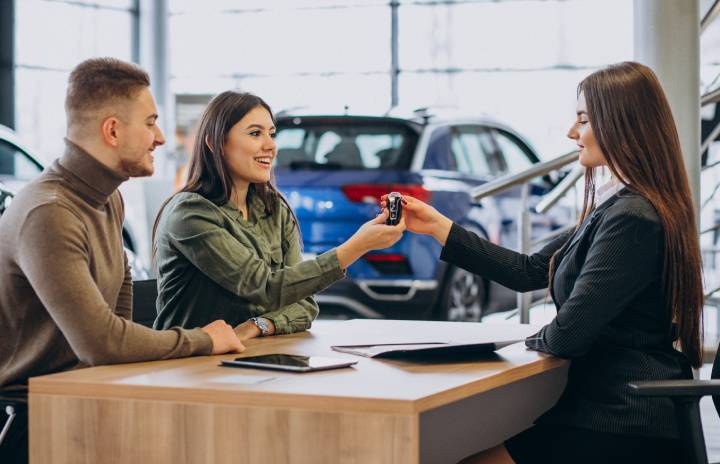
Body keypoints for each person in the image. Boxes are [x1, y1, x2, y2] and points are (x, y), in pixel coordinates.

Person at [390, 62, 703, 464]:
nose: (571, 132)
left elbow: (568, 334)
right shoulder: (617, 206)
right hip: (606, 409)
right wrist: (439, 227)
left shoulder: (632, 217)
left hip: (623, 420)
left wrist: (518, 343)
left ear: (621, 124)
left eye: (584, 120)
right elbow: (529, 271)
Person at [0, 58, 245, 464]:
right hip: (15, 421)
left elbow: (119, 312)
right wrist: (203, 339)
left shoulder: (106, 198)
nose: (161, 137)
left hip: (81, 395)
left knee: (211, 433)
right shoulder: (49, 212)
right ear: (112, 130)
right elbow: (103, 343)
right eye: (150, 123)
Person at [152, 91, 404, 339]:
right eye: (255, 133)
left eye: (272, 134)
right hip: (190, 366)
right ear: (215, 142)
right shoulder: (190, 213)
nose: (271, 145)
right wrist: (358, 246)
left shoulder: (274, 208)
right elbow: (266, 288)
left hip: (253, 359)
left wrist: (258, 325)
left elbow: (304, 305)